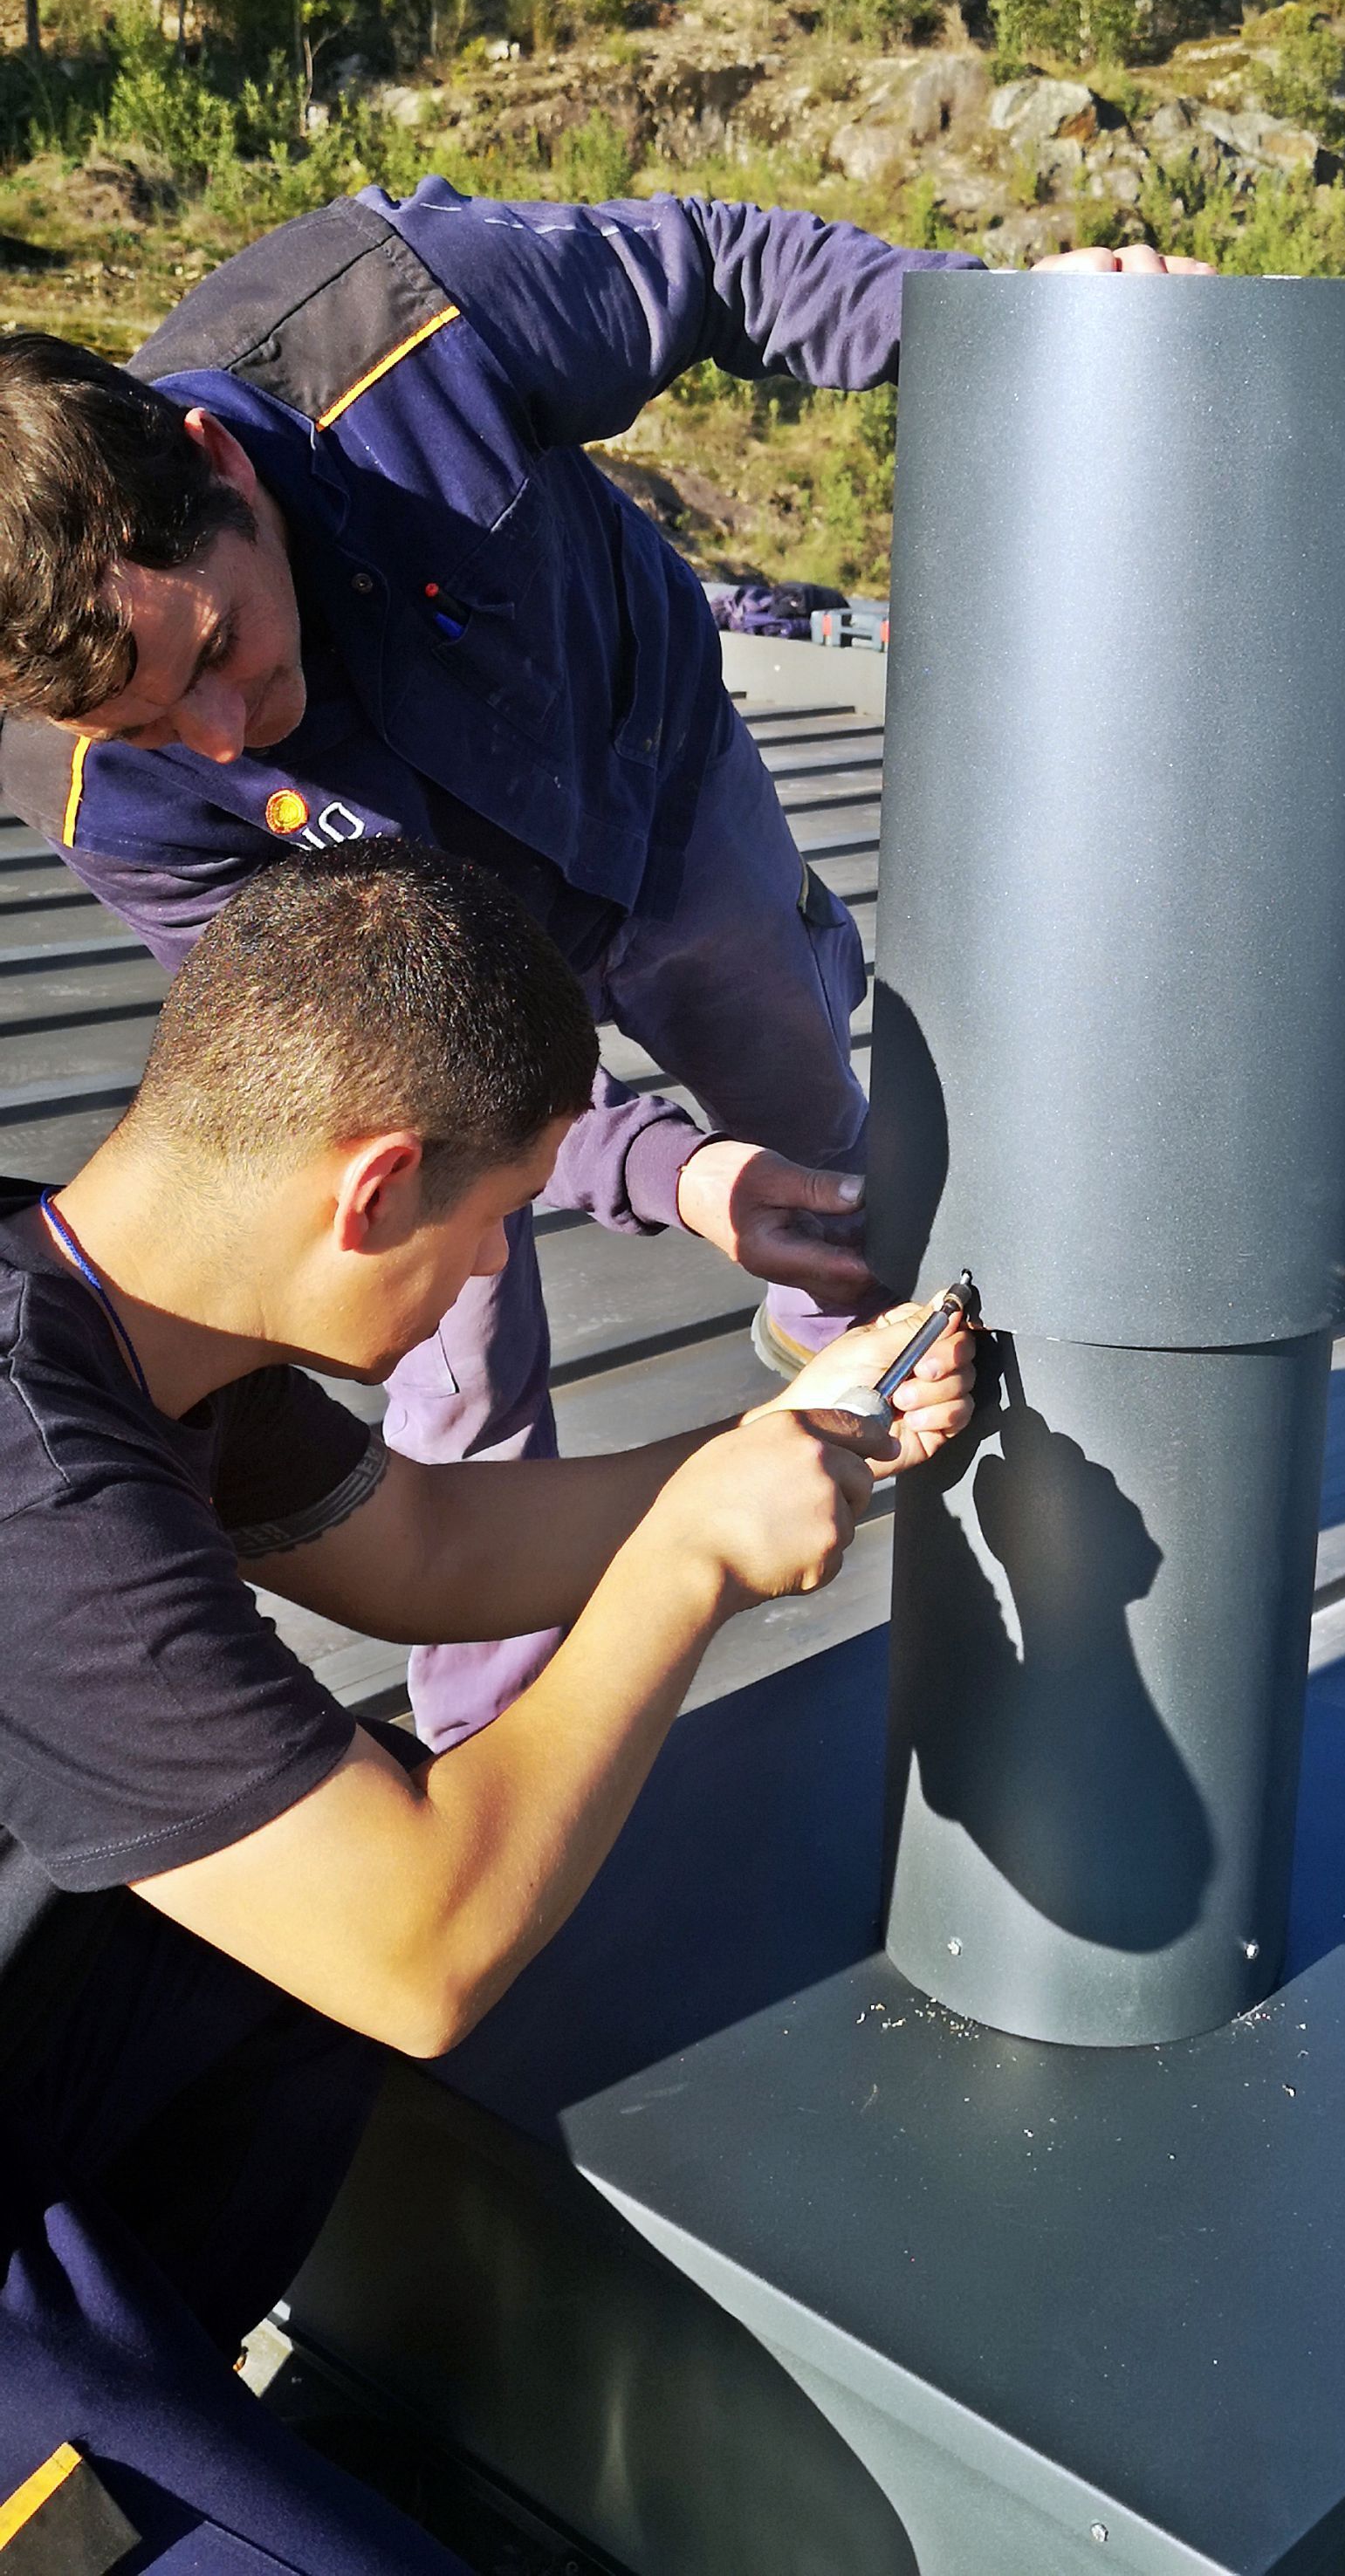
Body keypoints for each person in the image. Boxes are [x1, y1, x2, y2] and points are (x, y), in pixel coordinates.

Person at [0, 188, 1200, 1753]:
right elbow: (364, 1063)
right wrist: (659, 1173)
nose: (223, 738)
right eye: (158, 728)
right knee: (448, 1348)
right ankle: (492, 1750)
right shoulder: (82, 776)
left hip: (659, 796)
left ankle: (850, 1361)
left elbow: (721, 270)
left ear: (218, 468)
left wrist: (1012, 327)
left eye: (217, 650)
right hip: (410, 970)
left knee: (832, 1171)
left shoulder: (405, 320)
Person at [0, 835, 975, 2572]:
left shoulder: (99, 1309)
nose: (479, 1281)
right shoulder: (41, 1481)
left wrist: (784, 1441)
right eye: (487, 1226)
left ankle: (167, 2408)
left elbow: (428, 1552)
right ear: (373, 1190)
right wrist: (688, 1564)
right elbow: (423, 1951)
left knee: (314, 1826)